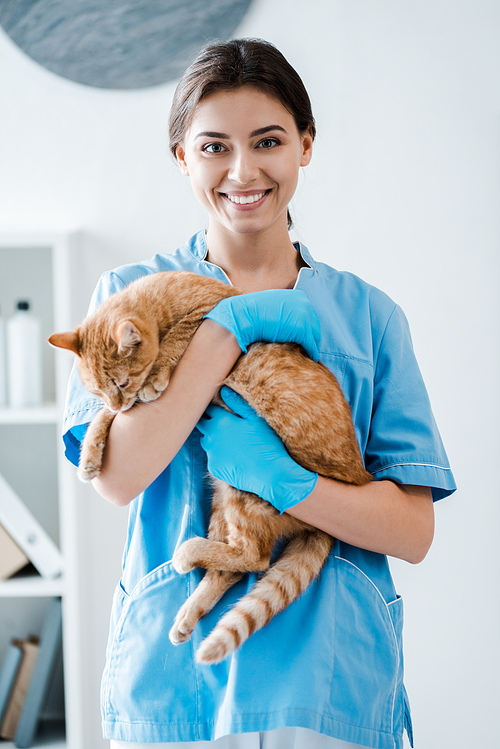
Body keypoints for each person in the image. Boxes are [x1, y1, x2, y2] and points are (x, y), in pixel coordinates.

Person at [62, 38, 456, 749]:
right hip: (173, 679)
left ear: (305, 145)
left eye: (268, 140)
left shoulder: (369, 318)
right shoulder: (126, 302)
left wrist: (286, 482)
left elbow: (411, 530)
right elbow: (115, 476)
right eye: (213, 146)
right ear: (182, 156)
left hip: (328, 679)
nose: (243, 170)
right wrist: (225, 331)